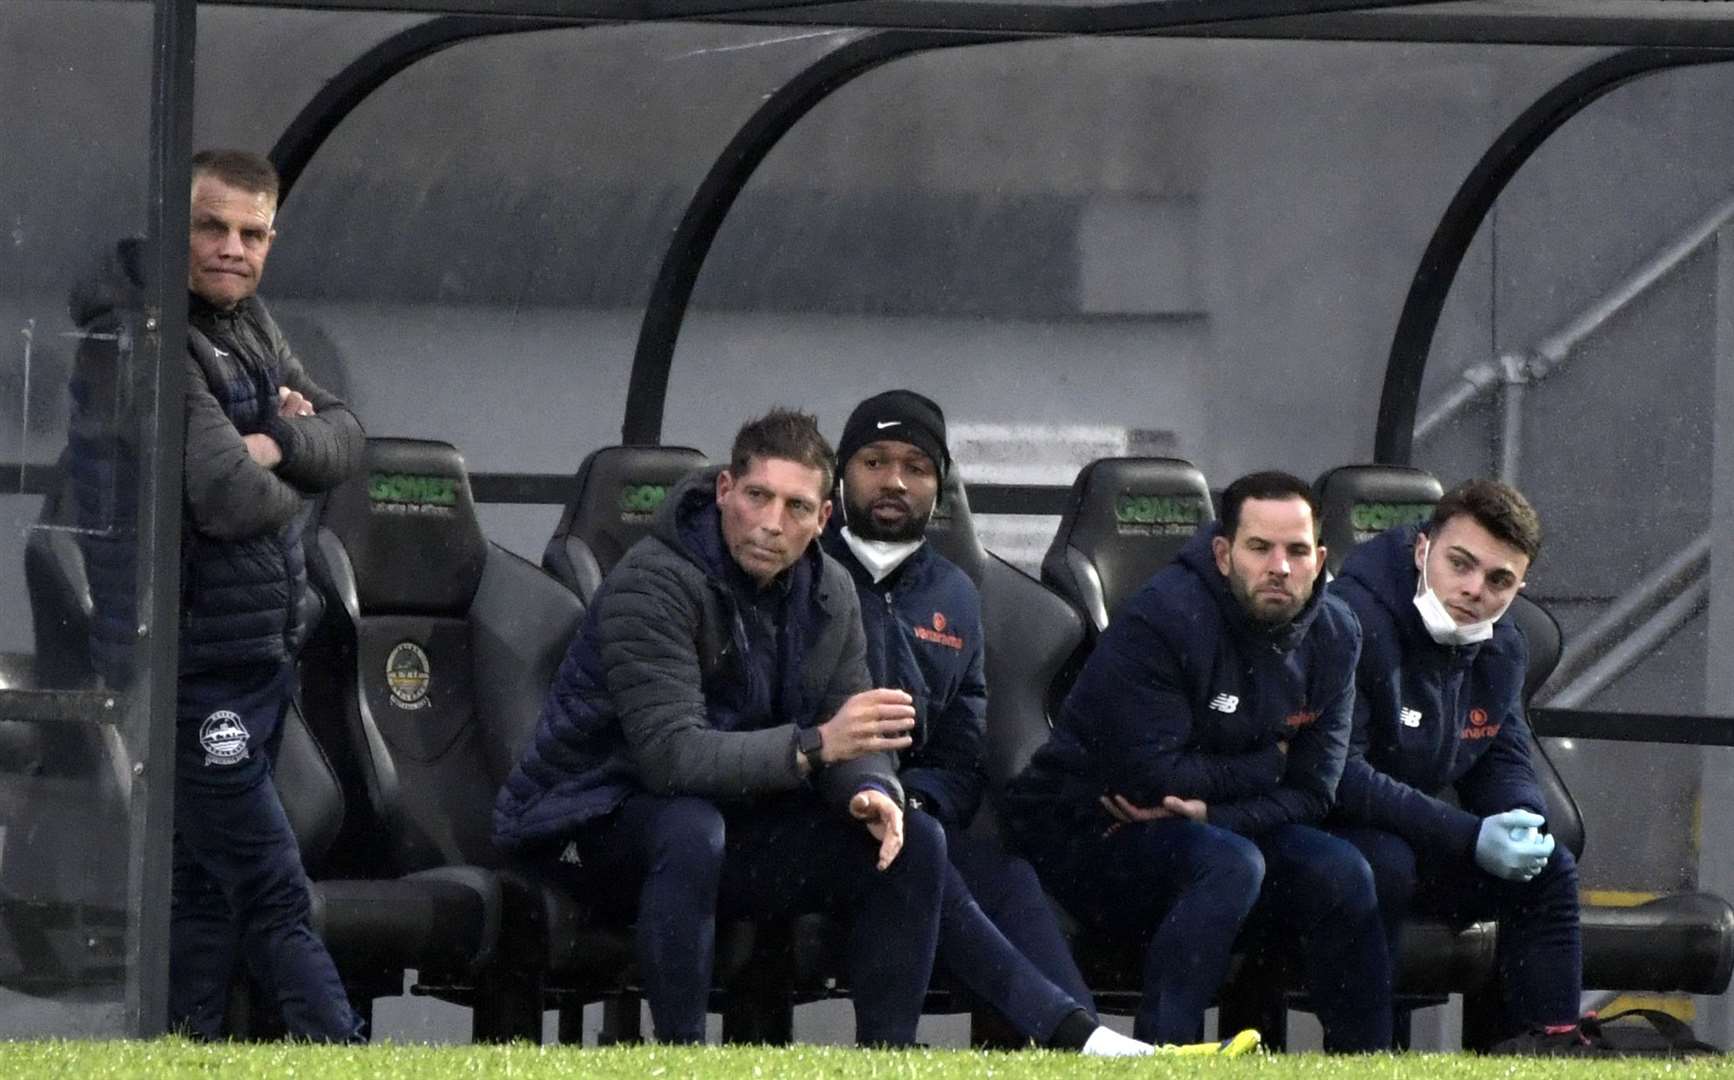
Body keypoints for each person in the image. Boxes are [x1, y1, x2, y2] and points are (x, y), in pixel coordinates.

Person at [493, 408, 949, 1046]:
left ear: (822, 520)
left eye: (795, 507)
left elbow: (852, 729)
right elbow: (672, 761)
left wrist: (867, 790)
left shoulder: (831, 592)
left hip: (734, 818)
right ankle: (682, 1057)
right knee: (688, 827)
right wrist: (818, 746)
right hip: (584, 825)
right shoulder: (652, 583)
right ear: (725, 491)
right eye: (758, 496)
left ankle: (889, 1058)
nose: (771, 523)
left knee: (913, 842)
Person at [822, 390, 1235, 1056]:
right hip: (821, 816)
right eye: (874, 461)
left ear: (940, 484)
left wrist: (916, 799)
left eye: (916, 466)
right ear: (842, 476)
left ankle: (1089, 1045)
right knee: (924, 851)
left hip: (918, 815)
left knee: (1002, 874)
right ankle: (1087, 1044)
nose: (894, 480)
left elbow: (964, 753)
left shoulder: (956, 593)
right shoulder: (809, 571)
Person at [67, 149, 366, 1040]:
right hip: (187, 663)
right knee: (272, 884)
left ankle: (178, 1049)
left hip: (255, 657)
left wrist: (266, 440)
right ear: (174, 228)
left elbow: (350, 436)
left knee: (200, 887)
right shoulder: (141, 337)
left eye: (251, 232)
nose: (232, 248)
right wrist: (290, 449)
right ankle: (342, 1052)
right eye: (211, 227)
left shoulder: (248, 324)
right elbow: (224, 492)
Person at [1003, 471, 1392, 1051]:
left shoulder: (1337, 632)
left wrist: (1217, 811)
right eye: (1259, 548)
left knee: (1344, 871)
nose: (1279, 568)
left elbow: (1316, 789)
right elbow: (1153, 777)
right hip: (1088, 827)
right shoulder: (1166, 614)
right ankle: (1167, 1054)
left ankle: (1367, 1062)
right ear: (1223, 553)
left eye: (1297, 550)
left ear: (1321, 559)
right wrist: (1270, 765)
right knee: (1230, 865)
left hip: (1213, 827)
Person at [1327, 479, 1581, 1044]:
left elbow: (1502, 751)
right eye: (1459, 564)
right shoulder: (1351, 621)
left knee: (1550, 870)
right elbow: (1340, 774)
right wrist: (1469, 837)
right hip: (1333, 830)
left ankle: (1544, 1048)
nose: (1474, 591)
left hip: (1428, 836)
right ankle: (1365, 1053)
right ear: (1423, 550)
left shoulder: (1502, 645)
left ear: (1520, 585)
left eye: (1499, 580)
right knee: (1384, 866)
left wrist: (1521, 818)